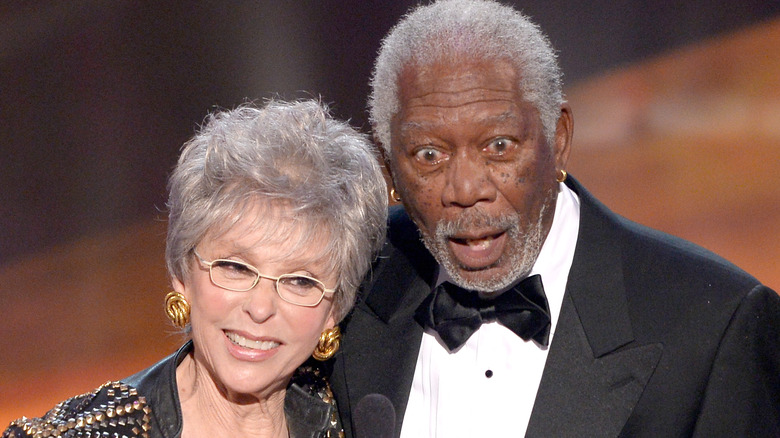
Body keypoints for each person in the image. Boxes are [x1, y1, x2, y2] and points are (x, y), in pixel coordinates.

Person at [329, 1, 780, 437]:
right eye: (429, 154)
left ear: (558, 138)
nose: (466, 191)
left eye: (499, 146)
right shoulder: (342, 284)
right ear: (389, 166)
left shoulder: (714, 326)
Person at [3, 100, 388, 438]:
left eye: (300, 281)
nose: (260, 308)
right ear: (183, 273)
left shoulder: (363, 419)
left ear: (334, 310)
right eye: (236, 267)